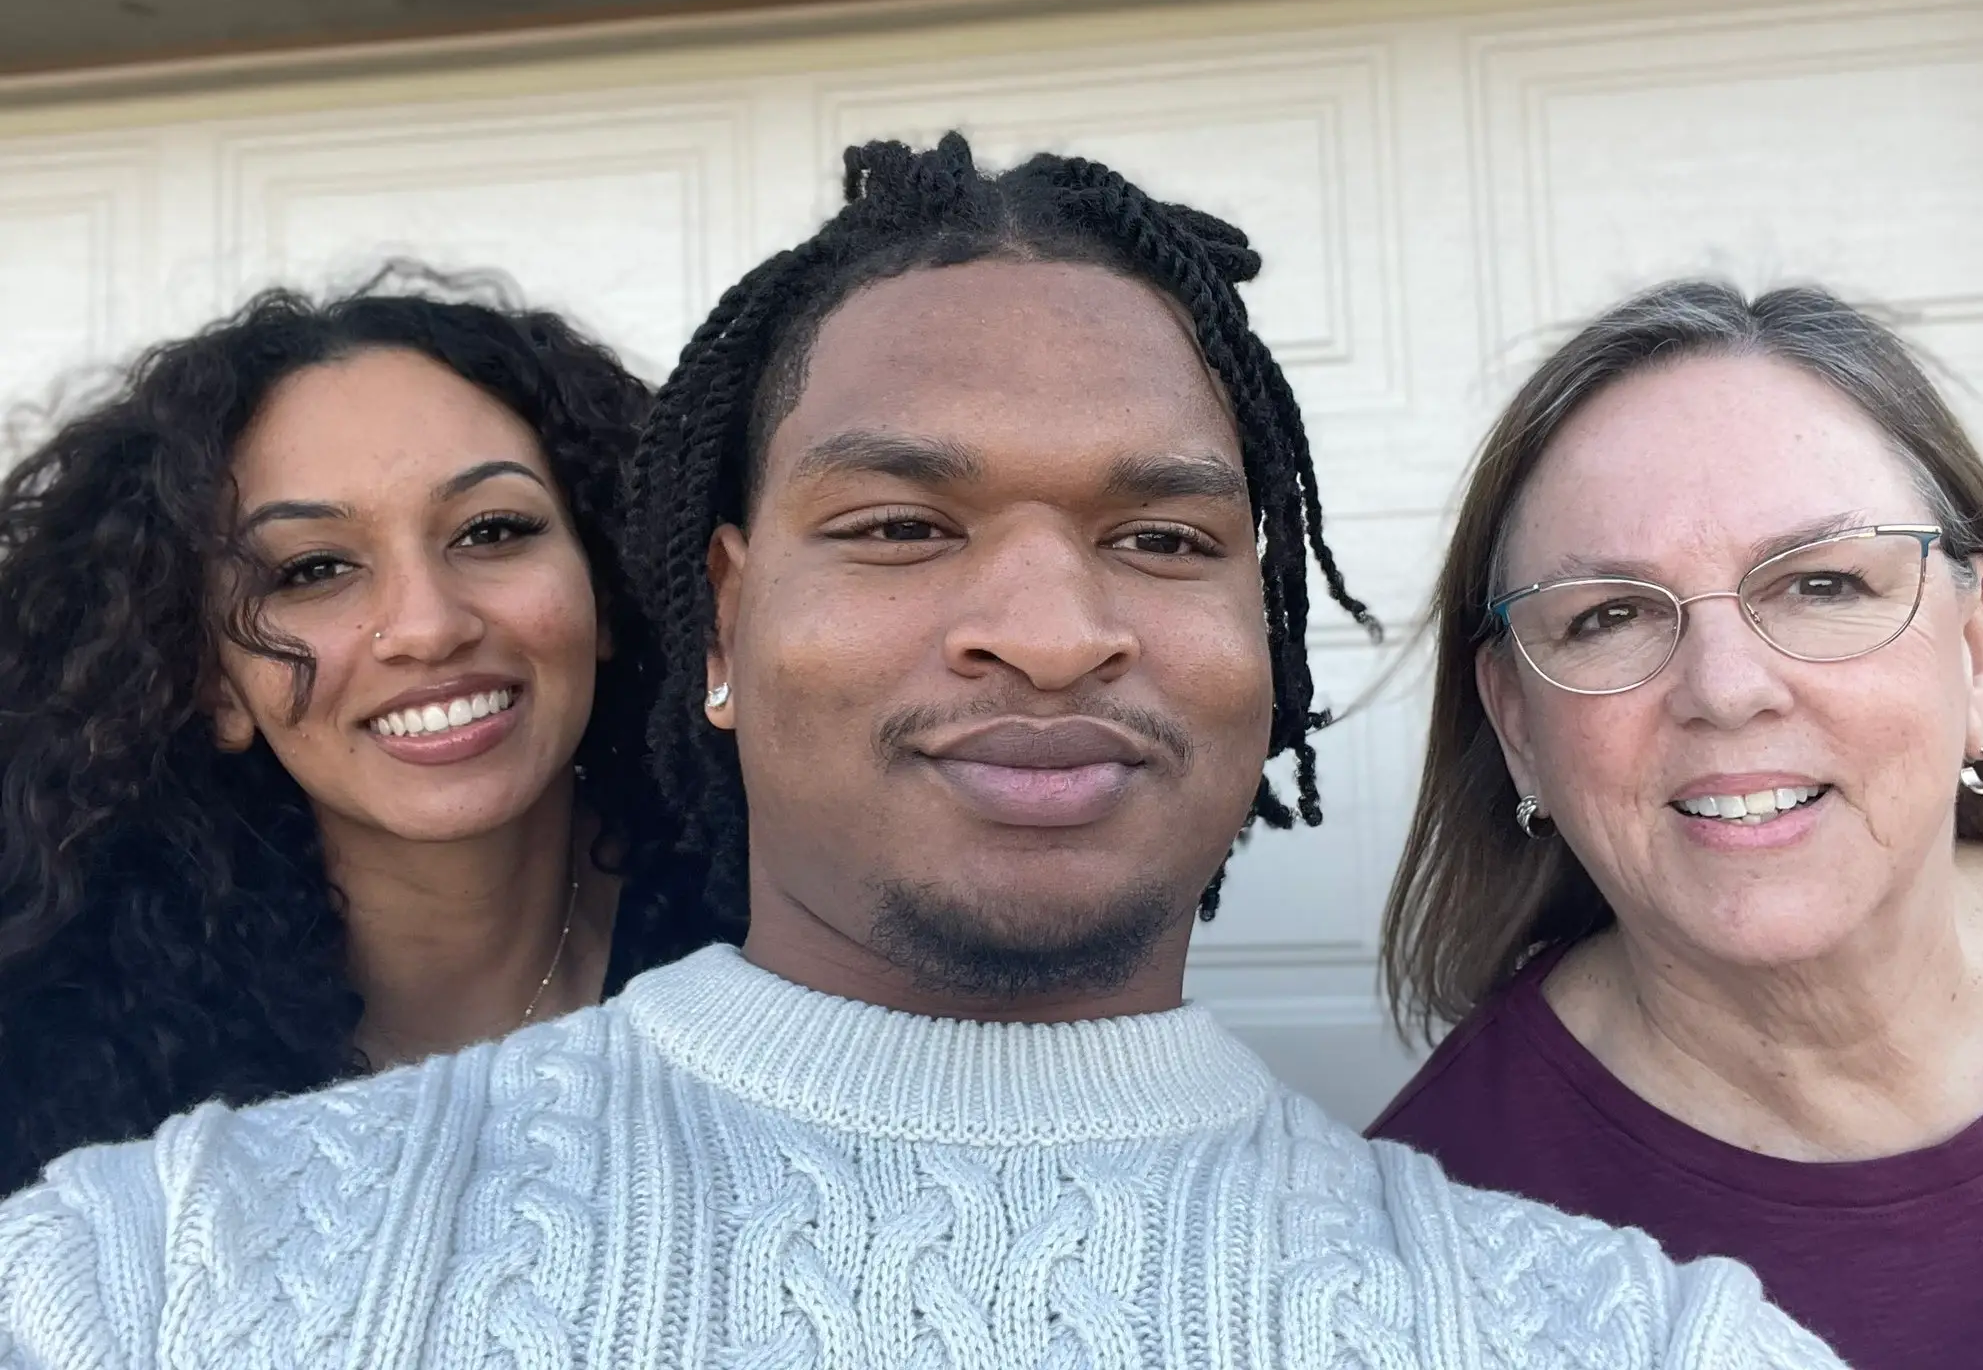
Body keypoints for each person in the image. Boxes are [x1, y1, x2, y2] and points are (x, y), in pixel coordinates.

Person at [0, 142, 1842, 1368]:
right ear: (720, 627)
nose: (1047, 627)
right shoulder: (155, 1272)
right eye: (898, 527)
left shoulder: (1626, 1340)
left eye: (1163, 537)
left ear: (1267, 647)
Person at [1370, 280, 1983, 1368]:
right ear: (1518, 726)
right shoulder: (1426, 1254)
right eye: (1610, 615)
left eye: (1822, 584)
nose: (1726, 690)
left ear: (1976, 657)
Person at [0, 284, 726, 1196]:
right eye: (313, 569)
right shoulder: (52, 1073)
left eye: (492, 530)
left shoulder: (787, 958)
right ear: (213, 680)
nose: (427, 627)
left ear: (607, 590)